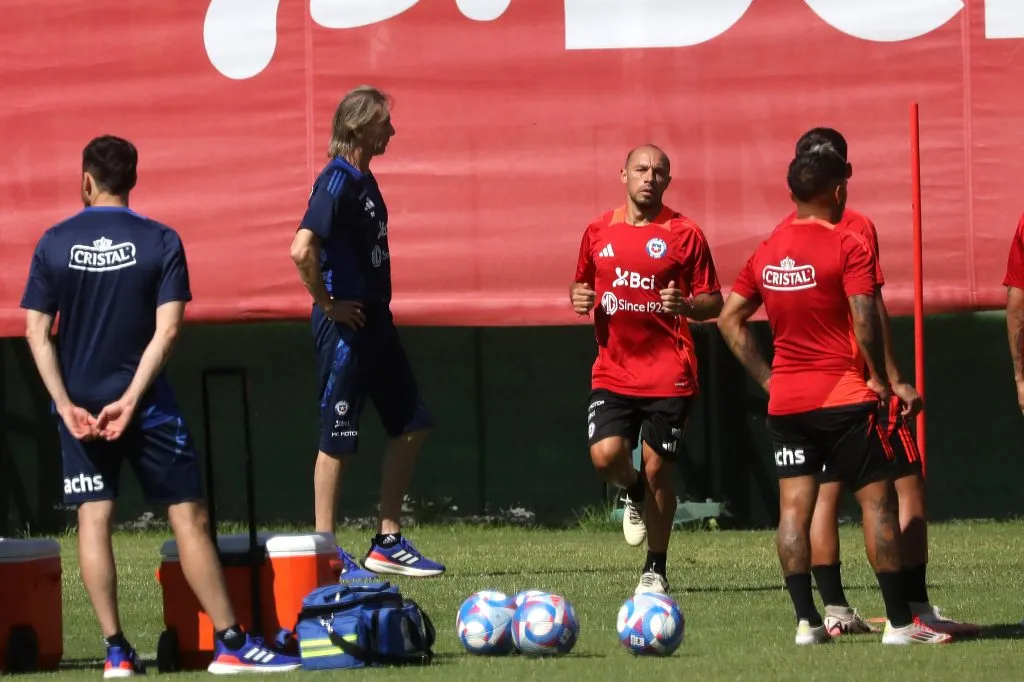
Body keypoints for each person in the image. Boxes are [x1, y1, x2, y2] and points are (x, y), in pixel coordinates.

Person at [20, 135, 300, 676]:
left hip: (79, 406)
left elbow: (37, 332)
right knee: (188, 518)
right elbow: (168, 330)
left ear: (85, 182)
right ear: (133, 181)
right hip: (147, 405)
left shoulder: (53, 242)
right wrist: (130, 399)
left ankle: (116, 653)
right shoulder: (161, 240)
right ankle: (230, 643)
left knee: (94, 520)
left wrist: (64, 405)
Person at [716, 141, 951, 645]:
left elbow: (728, 318)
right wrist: (882, 382)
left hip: (787, 405)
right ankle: (903, 625)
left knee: (794, 511)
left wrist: (767, 380)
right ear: (838, 189)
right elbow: (865, 320)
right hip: (844, 400)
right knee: (879, 503)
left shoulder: (767, 248)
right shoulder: (848, 245)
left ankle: (807, 622)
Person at [785, 128, 978, 637]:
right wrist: (890, 378)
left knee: (824, 494)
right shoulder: (852, 229)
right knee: (902, 487)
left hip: (802, 392)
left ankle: (833, 610)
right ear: (841, 176)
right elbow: (868, 310)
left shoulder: (784, 232)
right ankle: (913, 610)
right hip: (856, 385)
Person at [289, 85, 444, 579]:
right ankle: (325, 552)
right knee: (337, 436)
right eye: (383, 122)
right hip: (347, 328)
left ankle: (387, 540)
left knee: (412, 424)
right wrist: (328, 305)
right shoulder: (335, 180)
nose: (391, 130)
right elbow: (301, 248)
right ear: (357, 126)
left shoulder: (364, 179)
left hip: (376, 321)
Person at [570, 144, 723, 594]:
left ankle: (655, 568)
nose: (649, 177)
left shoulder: (684, 233)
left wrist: (688, 305)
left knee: (659, 472)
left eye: (658, 171)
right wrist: (578, 298)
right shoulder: (598, 230)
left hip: (668, 373)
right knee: (605, 456)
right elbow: (582, 282)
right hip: (614, 370)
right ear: (623, 175)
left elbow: (714, 300)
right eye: (641, 169)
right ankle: (633, 492)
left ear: (668, 182)